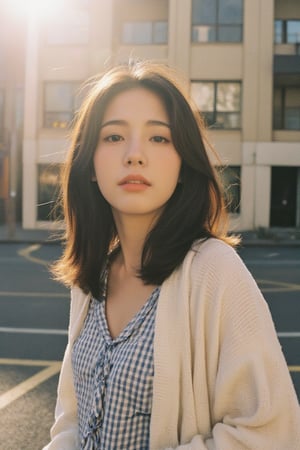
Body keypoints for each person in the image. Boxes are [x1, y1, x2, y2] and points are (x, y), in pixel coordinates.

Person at [43, 61, 300, 450]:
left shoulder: (213, 269)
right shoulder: (92, 277)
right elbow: (71, 420)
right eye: (113, 137)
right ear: (90, 165)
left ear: (183, 164)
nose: (134, 155)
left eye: (159, 139)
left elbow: (270, 433)